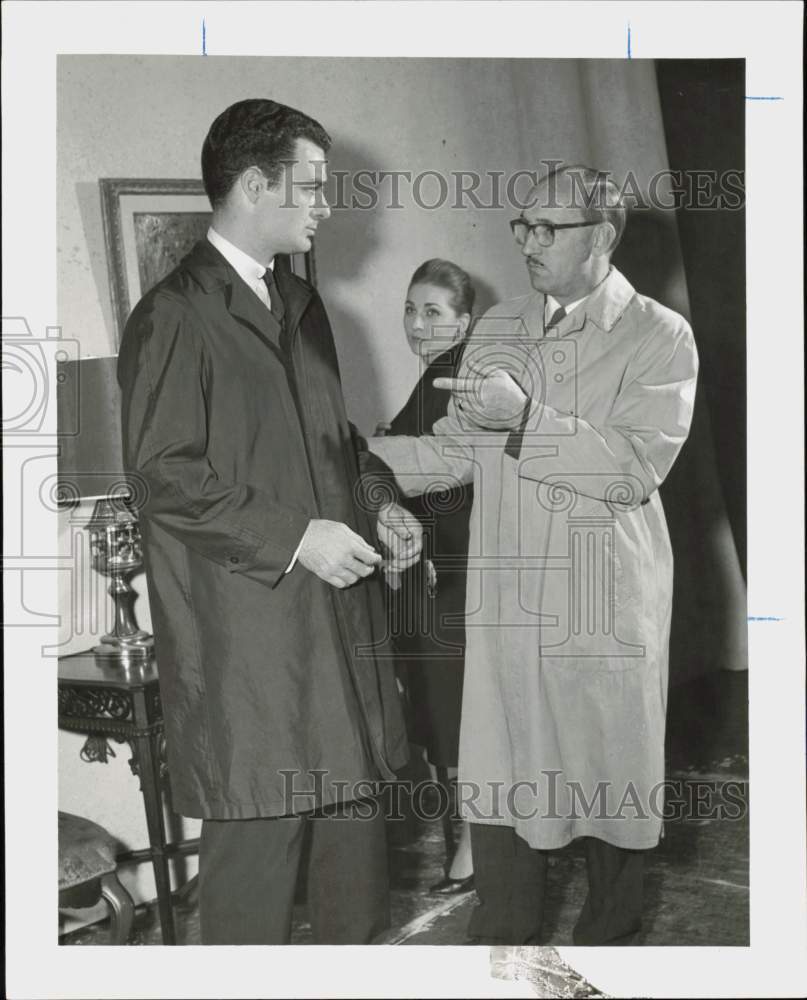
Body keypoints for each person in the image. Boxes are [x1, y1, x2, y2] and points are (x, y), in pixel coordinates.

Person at [117, 98, 422, 945]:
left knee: (355, 879)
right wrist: (297, 537)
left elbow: (338, 443)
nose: (327, 205)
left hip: (338, 633)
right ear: (255, 185)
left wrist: (381, 503)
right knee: (253, 886)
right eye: (313, 186)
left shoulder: (303, 302)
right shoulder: (174, 316)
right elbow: (163, 476)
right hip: (252, 649)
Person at [369, 164, 699, 945]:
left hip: (599, 606)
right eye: (521, 226)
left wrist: (522, 422)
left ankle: (608, 955)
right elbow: (453, 449)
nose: (527, 242)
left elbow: (628, 470)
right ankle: (505, 959)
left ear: (603, 237)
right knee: (503, 790)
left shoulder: (659, 333)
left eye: (548, 228)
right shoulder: (499, 326)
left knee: (608, 802)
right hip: (506, 610)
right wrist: (356, 461)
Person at [385, 259, 476, 894]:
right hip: (436, 571)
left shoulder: (457, 377)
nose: (418, 323)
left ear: (464, 322)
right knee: (444, 711)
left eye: (434, 312)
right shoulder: (435, 376)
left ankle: (475, 847)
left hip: (459, 572)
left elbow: (440, 468)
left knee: (456, 711)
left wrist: (368, 449)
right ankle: (471, 842)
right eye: (412, 309)